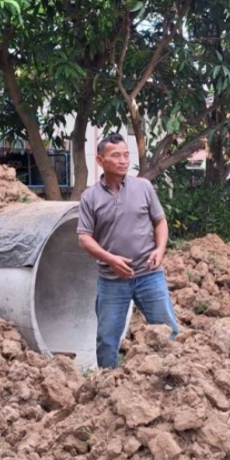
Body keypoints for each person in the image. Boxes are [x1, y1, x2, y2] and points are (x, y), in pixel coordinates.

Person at [76, 133, 180, 369]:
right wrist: (110, 259)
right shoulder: (90, 197)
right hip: (112, 280)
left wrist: (160, 249)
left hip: (149, 274)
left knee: (168, 330)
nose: (123, 161)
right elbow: (84, 238)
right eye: (116, 156)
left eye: (126, 155)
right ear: (100, 161)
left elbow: (160, 221)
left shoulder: (143, 187)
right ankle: (108, 382)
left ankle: (173, 376)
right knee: (107, 340)